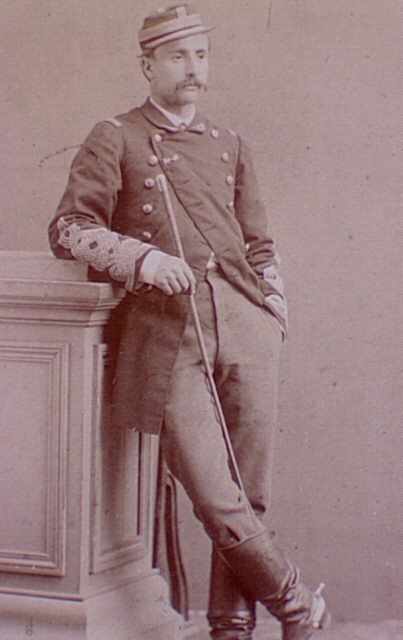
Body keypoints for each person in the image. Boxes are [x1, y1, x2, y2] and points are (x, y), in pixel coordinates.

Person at [48, 4, 330, 639]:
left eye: (201, 55)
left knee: (248, 494)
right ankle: (297, 606)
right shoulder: (115, 136)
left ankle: (231, 628)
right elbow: (68, 229)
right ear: (147, 65)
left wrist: (272, 311)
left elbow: (259, 244)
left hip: (246, 325)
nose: (192, 69)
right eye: (177, 56)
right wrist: (143, 260)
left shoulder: (230, 144)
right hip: (166, 333)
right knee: (216, 495)